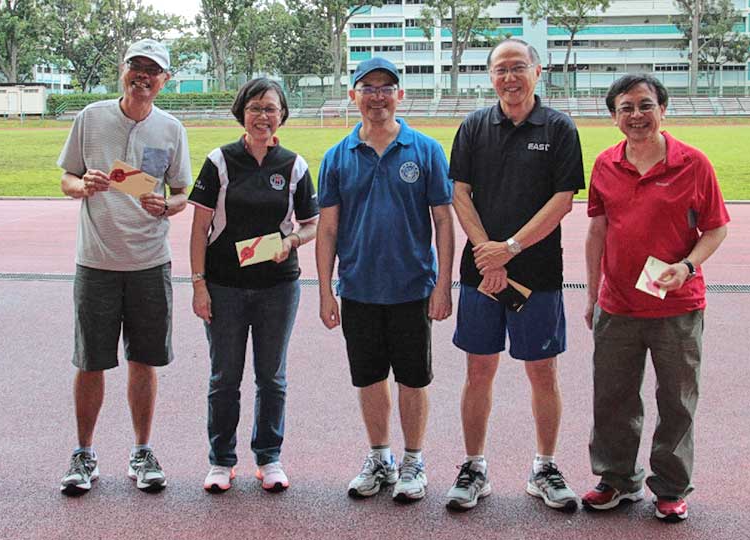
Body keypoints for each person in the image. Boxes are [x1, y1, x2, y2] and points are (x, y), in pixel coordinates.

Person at [581, 74, 729, 522]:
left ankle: (670, 487)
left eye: (645, 105)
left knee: (677, 401)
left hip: (677, 308)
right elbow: (597, 230)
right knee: (612, 397)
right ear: (614, 117)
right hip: (618, 306)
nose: (636, 115)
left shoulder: (693, 164)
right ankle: (616, 479)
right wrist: (592, 295)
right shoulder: (605, 164)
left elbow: (716, 229)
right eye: (625, 108)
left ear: (663, 110)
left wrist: (687, 267)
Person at [445, 38, 586, 512]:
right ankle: (474, 466)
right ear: (490, 76)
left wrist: (509, 249)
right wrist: (488, 255)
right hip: (482, 276)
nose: (509, 77)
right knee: (478, 369)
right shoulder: (473, 126)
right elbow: (459, 193)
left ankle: (544, 466)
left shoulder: (559, 128)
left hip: (537, 275)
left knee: (542, 371)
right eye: (500, 69)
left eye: (518, 67)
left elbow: (563, 200)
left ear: (537, 71)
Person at [315, 57, 454, 503]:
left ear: (400, 94)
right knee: (369, 377)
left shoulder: (426, 150)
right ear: (353, 95)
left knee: (413, 378)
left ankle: (413, 459)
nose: (377, 96)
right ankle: (380, 457)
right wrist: (325, 290)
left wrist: (443, 284)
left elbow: (443, 220)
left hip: (412, 287)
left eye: (386, 87)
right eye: (368, 88)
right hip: (358, 288)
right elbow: (328, 229)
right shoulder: (337, 157)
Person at [56, 38, 191, 495]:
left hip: (149, 262)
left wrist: (167, 204)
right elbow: (66, 177)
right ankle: (84, 453)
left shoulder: (171, 129)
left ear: (164, 80)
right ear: (123, 70)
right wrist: (82, 186)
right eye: (137, 66)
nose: (143, 76)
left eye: (153, 70)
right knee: (90, 361)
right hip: (96, 261)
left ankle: (142, 451)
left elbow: (182, 192)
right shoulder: (91, 118)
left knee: (144, 360)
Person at [188, 78, 319, 493]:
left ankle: (269, 457)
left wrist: (291, 241)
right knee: (224, 377)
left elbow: (311, 224)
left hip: (278, 287)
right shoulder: (220, 161)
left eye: (271, 108)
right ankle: (221, 460)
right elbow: (199, 228)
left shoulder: (294, 165)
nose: (263, 116)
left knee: (272, 377)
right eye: (255, 108)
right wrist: (199, 284)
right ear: (241, 113)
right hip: (224, 286)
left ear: (282, 114)